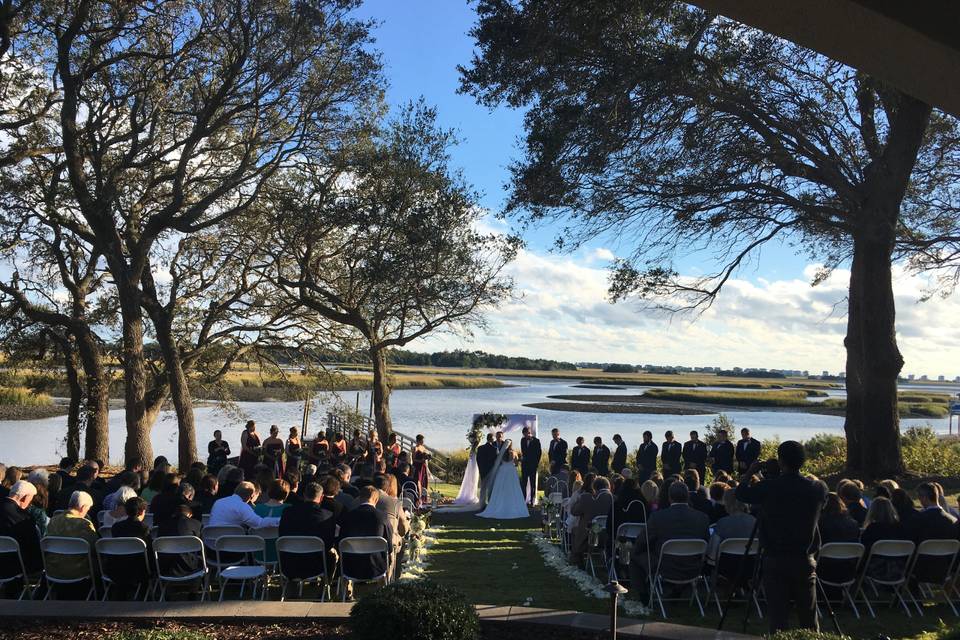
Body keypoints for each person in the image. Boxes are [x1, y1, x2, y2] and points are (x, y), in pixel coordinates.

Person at [735, 441, 827, 633]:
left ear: (781, 461)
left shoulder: (769, 487)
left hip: (775, 557)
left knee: (778, 619)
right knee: (809, 618)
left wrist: (750, 472)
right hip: (804, 558)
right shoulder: (817, 489)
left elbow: (741, 493)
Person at [629, 481, 709, 598]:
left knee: (635, 553)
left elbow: (642, 541)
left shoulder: (658, 517)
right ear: (688, 497)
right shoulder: (702, 518)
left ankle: (643, 594)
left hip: (665, 567)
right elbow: (707, 542)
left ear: (670, 498)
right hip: (694, 567)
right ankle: (676, 589)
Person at [337, 486, 392, 591]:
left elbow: (340, 542)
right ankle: (383, 589)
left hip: (350, 566)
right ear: (376, 500)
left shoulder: (348, 516)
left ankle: (345, 592)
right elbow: (389, 547)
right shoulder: (382, 517)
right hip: (376, 566)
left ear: (359, 498)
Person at [278, 482, 337, 578]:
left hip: (289, 564)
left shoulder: (288, 512)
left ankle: (292, 583)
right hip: (316, 566)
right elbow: (329, 543)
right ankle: (325, 586)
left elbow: (282, 535)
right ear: (321, 497)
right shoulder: (327, 515)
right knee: (332, 556)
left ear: (304, 495)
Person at [46, 491, 99, 591]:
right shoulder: (84, 524)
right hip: (78, 572)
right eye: (88, 509)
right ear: (83, 507)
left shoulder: (53, 520)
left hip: (53, 570)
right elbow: (95, 548)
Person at [478, 443, 530, 520]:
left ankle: (499, 504)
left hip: (502, 471)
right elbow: (516, 464)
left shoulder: (501, 453)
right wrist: (518, 460)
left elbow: (498, 463)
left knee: (500, 488)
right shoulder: (514, 452)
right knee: (513, 488)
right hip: (511, 471)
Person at [569, 477, 614, 565]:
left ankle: (576, 558)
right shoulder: (614, 499)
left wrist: (579, 500)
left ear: (594, 487)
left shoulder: (587, 498)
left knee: (574, 530)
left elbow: (574, 511)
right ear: (608, 486)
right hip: (609, 538)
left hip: (589, 538)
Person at [0, 481, 42, 575]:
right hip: (15, 568)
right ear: (24, 497)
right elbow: (33, 548)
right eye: (30, 499)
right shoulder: (24, 518)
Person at [707, 488, 756, 561]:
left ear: (727, 502)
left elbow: (712, 555)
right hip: (750, 567)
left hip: (726, 568)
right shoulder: (755, 521)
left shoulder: (722, 523)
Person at [208, 482, 282, 529]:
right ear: (251, 496)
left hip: (211, 546)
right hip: (232, 547)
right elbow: (259, 524)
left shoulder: (218, 502)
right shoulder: (242, 506)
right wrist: (281, 520)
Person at [520, 427, 542, 505]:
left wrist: (536, 464)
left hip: (533, 466)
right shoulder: (522, 440)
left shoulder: (536, 441)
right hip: (525, 466)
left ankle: (532, 500)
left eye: (528, 433)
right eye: (525, 434)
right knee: (524, 484)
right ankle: (524, 500)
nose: (527, 435)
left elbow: (539, 453)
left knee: (533, 484)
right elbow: (523, 451)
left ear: (530, 432)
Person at [477, 433, 498, 506]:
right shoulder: (494, 449)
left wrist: (480, 469)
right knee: (490, 487)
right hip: (490, 470)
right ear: (492, 439)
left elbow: (478, 460)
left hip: (482, 470)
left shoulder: (480, 448)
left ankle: (481, 502)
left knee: (483, 487)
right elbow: (495, 461)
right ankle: (489, 502)